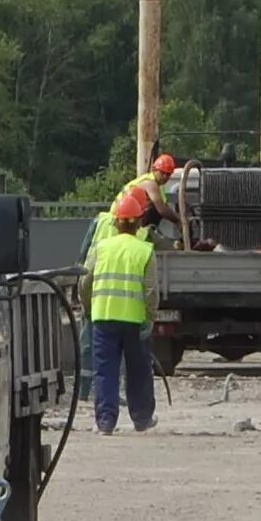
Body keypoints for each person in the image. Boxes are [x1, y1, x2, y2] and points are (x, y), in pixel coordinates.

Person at [85, 186, 158, 435]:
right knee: (138, 370)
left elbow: (85, 282)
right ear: (139, 223)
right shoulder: (144, 250)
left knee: (105, 371)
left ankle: (105, 422)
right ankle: (141, 419)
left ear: (115, 222)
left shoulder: (100, 248)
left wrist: (89, 308)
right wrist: (151, 318)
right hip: (134, 320)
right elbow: (151, 291)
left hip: (103, 317)